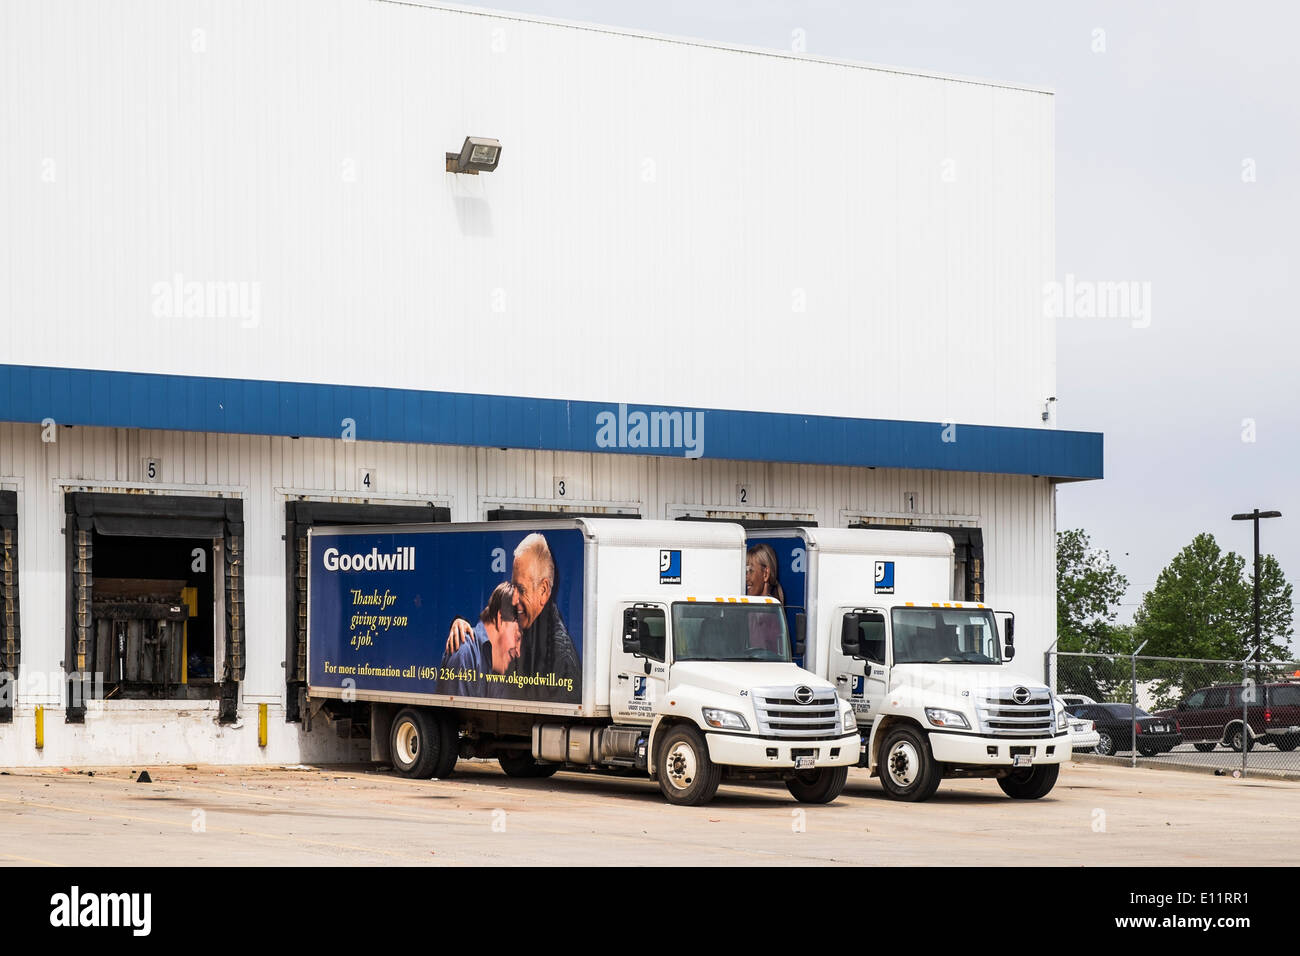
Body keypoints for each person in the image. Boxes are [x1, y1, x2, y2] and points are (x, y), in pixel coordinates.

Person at [446, 533, 580, 703]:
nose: (514, 598)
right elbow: (490, 623)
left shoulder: (561, 659)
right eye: (513, 586)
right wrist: (459, 623)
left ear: (544, 591)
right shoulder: (523, 620)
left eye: (521, 589)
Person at [439, 582, 523, 698]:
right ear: (500, 619)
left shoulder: (501, 663)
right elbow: (455, 713)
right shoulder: (464, 653)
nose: (518, 652)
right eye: (517, 637)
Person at [745, 543, 786, 653]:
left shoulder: (765, 613)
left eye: (750, 571)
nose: (746, 577)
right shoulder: (772, 609)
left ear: (766, 574)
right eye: (745, 571)